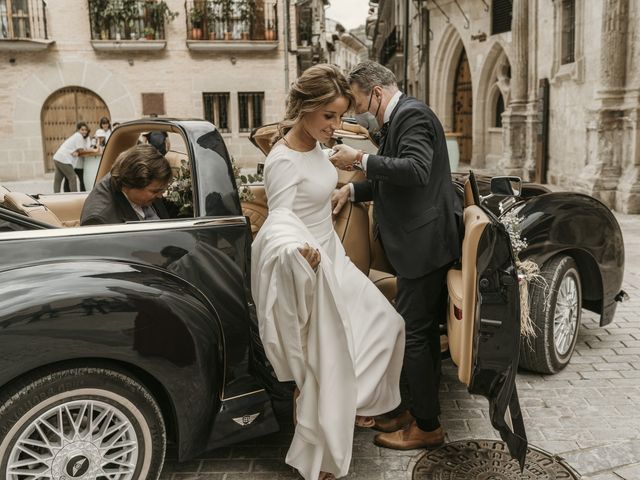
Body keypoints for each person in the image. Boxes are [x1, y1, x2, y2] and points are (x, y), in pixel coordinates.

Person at [251, 64, 404, 480]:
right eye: (329, 116)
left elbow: (317, 193)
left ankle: (348, 404)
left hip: (332, 256)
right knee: (321, 363)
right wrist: (297, 252)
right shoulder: (282, 161)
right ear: (304, 108)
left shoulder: (317, 148)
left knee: (385, 324)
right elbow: (279, 217)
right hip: (307, 265)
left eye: (339, 115)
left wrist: (346, 185)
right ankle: (316, 458)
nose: (336, 125)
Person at [330, 61, 462, 451]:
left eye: (355, 99)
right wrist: (353, 191)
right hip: (419, 244)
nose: (355, 109)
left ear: (376, 92)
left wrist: (357, 160)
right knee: (416, 333)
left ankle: (427, 426)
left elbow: (416, 170)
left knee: (415, 336)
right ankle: (410, 408)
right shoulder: (401, 118)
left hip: (423, 246)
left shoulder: (413, 115)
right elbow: (393, 178)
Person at [80, 144, 171, 225]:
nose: (160, 196)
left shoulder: (149, 184)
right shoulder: (100, 221)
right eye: (155, 191)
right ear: (130, 184)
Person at [53, 122, 98, 193]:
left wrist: (78, 151)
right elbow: (81, 150)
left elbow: (80, 150)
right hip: (64, 159)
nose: (84, 131)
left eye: (85, 130)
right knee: (72, 177)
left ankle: (55, 195)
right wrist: (92, 150)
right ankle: (74, 195)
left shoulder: (80, 137)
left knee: (58, 179)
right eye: (82, 130)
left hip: (58, 157)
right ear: (78, 130)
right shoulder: (78, 136)